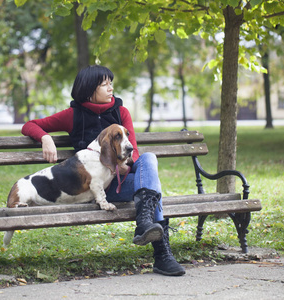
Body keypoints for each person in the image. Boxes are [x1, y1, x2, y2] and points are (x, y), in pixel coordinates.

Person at [21, 65, 185, 276]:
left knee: (148, 162)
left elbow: (133, 152)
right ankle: (162, 255)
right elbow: (30, 125)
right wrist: (45, 137)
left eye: (111, 83)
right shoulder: (72, 115)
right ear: (90, 90)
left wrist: (126, 164)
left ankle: (147, 228)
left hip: (122, 183)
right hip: (96, 189)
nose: (111, 88)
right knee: (152, 191)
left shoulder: (121, 112)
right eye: (104, 84)